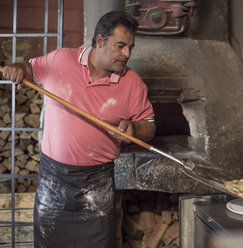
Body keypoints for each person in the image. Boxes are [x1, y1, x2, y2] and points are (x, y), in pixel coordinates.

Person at [2, 11, 155, 248]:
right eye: (121, 46)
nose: (127, 54)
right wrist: (18, 67)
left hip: (98, 182)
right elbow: (29, 68)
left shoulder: (133, 83)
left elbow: (150, 126)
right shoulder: (61, 60)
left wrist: (135, 128)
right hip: (54, 178)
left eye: (130, 47)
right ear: (100, 41)